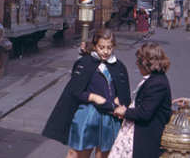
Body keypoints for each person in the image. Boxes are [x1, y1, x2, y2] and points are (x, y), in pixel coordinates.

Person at [42, 28, 131, 158]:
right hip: (88, 115)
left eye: (109, 48)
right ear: (95, 46)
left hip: (110, 117)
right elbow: (75, 91)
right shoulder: (85, 63)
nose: (106, 51)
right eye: (101, 47)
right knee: (78, 153)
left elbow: (124, 92)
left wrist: (119, 100)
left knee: (104, 154)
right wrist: (93, 97)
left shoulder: (119, 66)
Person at [110, 42, 172, 158]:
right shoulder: (155, 79)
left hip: (146, 135)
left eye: (138, 62)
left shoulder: (157, 83)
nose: (137, 65)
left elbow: (145, 113)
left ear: (145, 64)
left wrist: (125, 112)